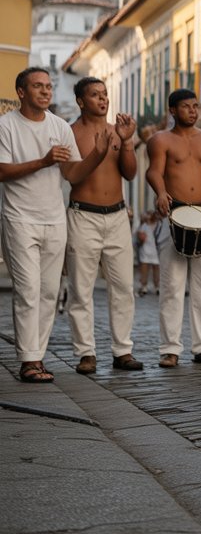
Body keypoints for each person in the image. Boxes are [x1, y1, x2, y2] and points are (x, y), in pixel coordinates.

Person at [0, 68, 108, 382]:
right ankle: (28, 361)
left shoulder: (60, 126)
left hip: (54, 218)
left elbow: (72, 174)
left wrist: (98, 155)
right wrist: (43, 161)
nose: (46, 91)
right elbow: (2, 172)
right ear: (22, 92)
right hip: (20, 218)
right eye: (38, 86)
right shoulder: (6, 125)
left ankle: (37, 357)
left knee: (49, 292)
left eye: (48, 86)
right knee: (28, 291)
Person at [145, 89, 201, 368]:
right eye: (186, 107)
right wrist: (160, 192)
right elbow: (154, 171)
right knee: (172, 286)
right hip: (174, 215)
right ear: (172, 110)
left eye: (195, 106)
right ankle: (169, 349)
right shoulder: (160, 140)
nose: (193, 111)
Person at [66, 77, 144, 374]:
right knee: (81, 289)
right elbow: (73, 175)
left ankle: (122, 350)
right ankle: (86, 353)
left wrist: (126, 142)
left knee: (124, 286)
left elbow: (131, 173)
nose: (103, 99)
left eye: (105, 94)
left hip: (117, 216)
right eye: (95, 95)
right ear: (81, 101)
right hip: (83, 215)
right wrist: (98, 152)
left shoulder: (117, 132)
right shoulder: (70, 132)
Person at [136, 210, 160, 294]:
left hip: (156, 251)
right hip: (145, 250)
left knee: (156, 270)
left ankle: (157, 287)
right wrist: (141, 237)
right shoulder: (144, 226)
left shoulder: (158, 225)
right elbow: (139, 236)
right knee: (144, 270)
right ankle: (144, 286)